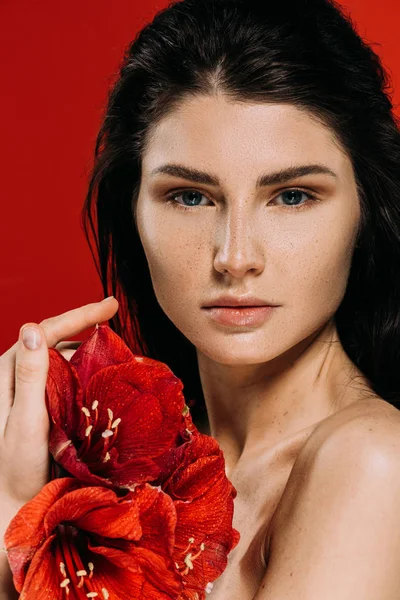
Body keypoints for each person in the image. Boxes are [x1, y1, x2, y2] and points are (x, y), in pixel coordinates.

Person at [2, 0, 400, 597]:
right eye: (190, 197)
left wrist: (16, 520)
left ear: (365, 212)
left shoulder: (374, 460)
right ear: (132, 210)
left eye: (292, 196)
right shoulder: (127, 470)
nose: (235, 257)